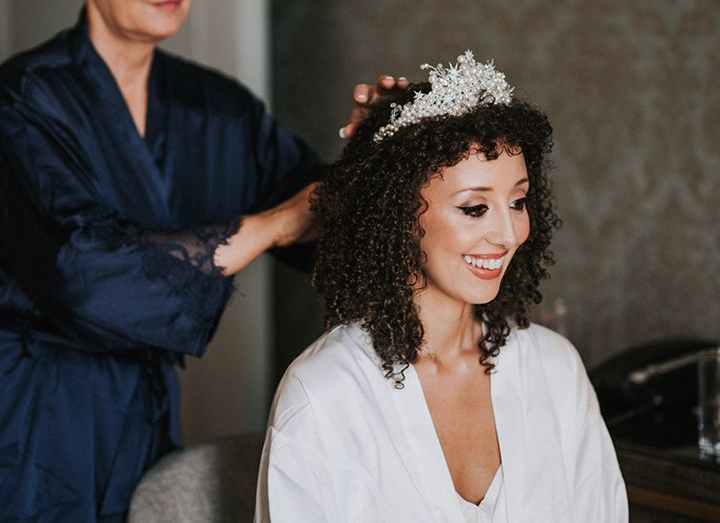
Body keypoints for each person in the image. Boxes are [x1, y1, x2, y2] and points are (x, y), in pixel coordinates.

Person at [0, 0, 395, 522]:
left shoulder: (215, 108)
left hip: (137, 421)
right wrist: (271, 224)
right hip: (17, 419)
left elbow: (321, 220)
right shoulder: (24, 100)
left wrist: (377, 146)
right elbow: (82, 271)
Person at [255, 52, 628, 522]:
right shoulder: (324, 395)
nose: (509, 234)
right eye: (474, 208)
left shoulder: (555, 371)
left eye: (517, 201)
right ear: (398, 216)